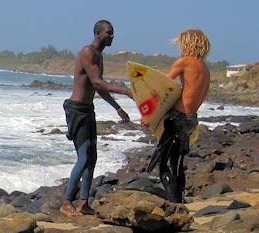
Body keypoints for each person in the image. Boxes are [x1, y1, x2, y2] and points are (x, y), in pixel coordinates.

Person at [60, 20, 133, 216]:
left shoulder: (99, 57)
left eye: (113, 33)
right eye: (108, 33)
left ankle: (84, 202)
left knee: (92, 158)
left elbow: (99, 88)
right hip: (77, 110)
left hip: (88, 109)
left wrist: (118, 109)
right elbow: (97, 81)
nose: (112, 36)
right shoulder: (88, 52)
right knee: (83, 158)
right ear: (97, 33)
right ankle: (67, 201)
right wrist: (125, 90)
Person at [144, 29, 211, 203]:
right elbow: (202, 96)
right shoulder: (205, 69)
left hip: (176, 119)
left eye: (181, 43)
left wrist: (150, 115)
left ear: (188, 43)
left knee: (162, 163)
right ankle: (179, 202)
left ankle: (174, 204)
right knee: (177, 164)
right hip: (191, 120)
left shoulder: (184, 62)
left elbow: (162, 88)